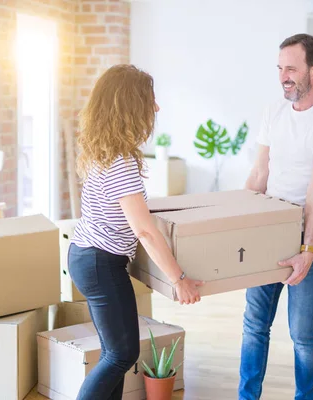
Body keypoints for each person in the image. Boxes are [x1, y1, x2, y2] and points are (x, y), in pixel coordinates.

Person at [68, 64, 204, 400]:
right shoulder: (120, 162)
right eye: (150, 100)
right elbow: (144, 230)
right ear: (130, 105)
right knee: (122, 354)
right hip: (100, 263)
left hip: (88, 257)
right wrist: (179, 279)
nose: (156, 108)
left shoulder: (105, 153)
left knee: (115, 353)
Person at [238, 34, 313, 400]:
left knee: (301, 332)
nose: (283, 76)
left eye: (291, 68)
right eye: (280, 68)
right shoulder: (273, 112)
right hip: (270, 230)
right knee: (254, 325)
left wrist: (308, 250)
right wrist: (237, 228)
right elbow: (259, 175)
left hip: (311, 235)